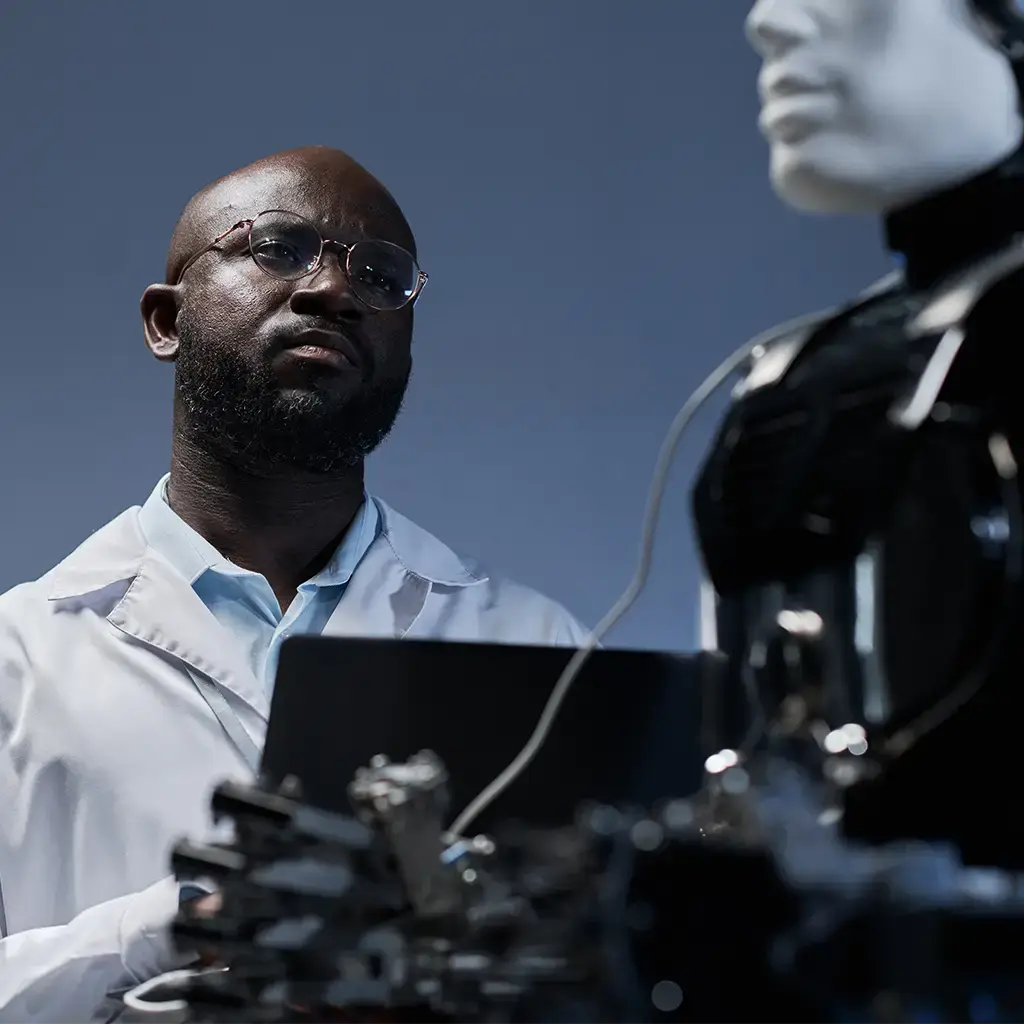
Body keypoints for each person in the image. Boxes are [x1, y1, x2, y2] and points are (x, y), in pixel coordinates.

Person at [0, 146, 589, 1022]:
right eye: (276, 248)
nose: (333, 291)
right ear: (166, 320)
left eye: (381, 276)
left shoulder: (539, 650)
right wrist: (159, 930)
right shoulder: (19, 656)